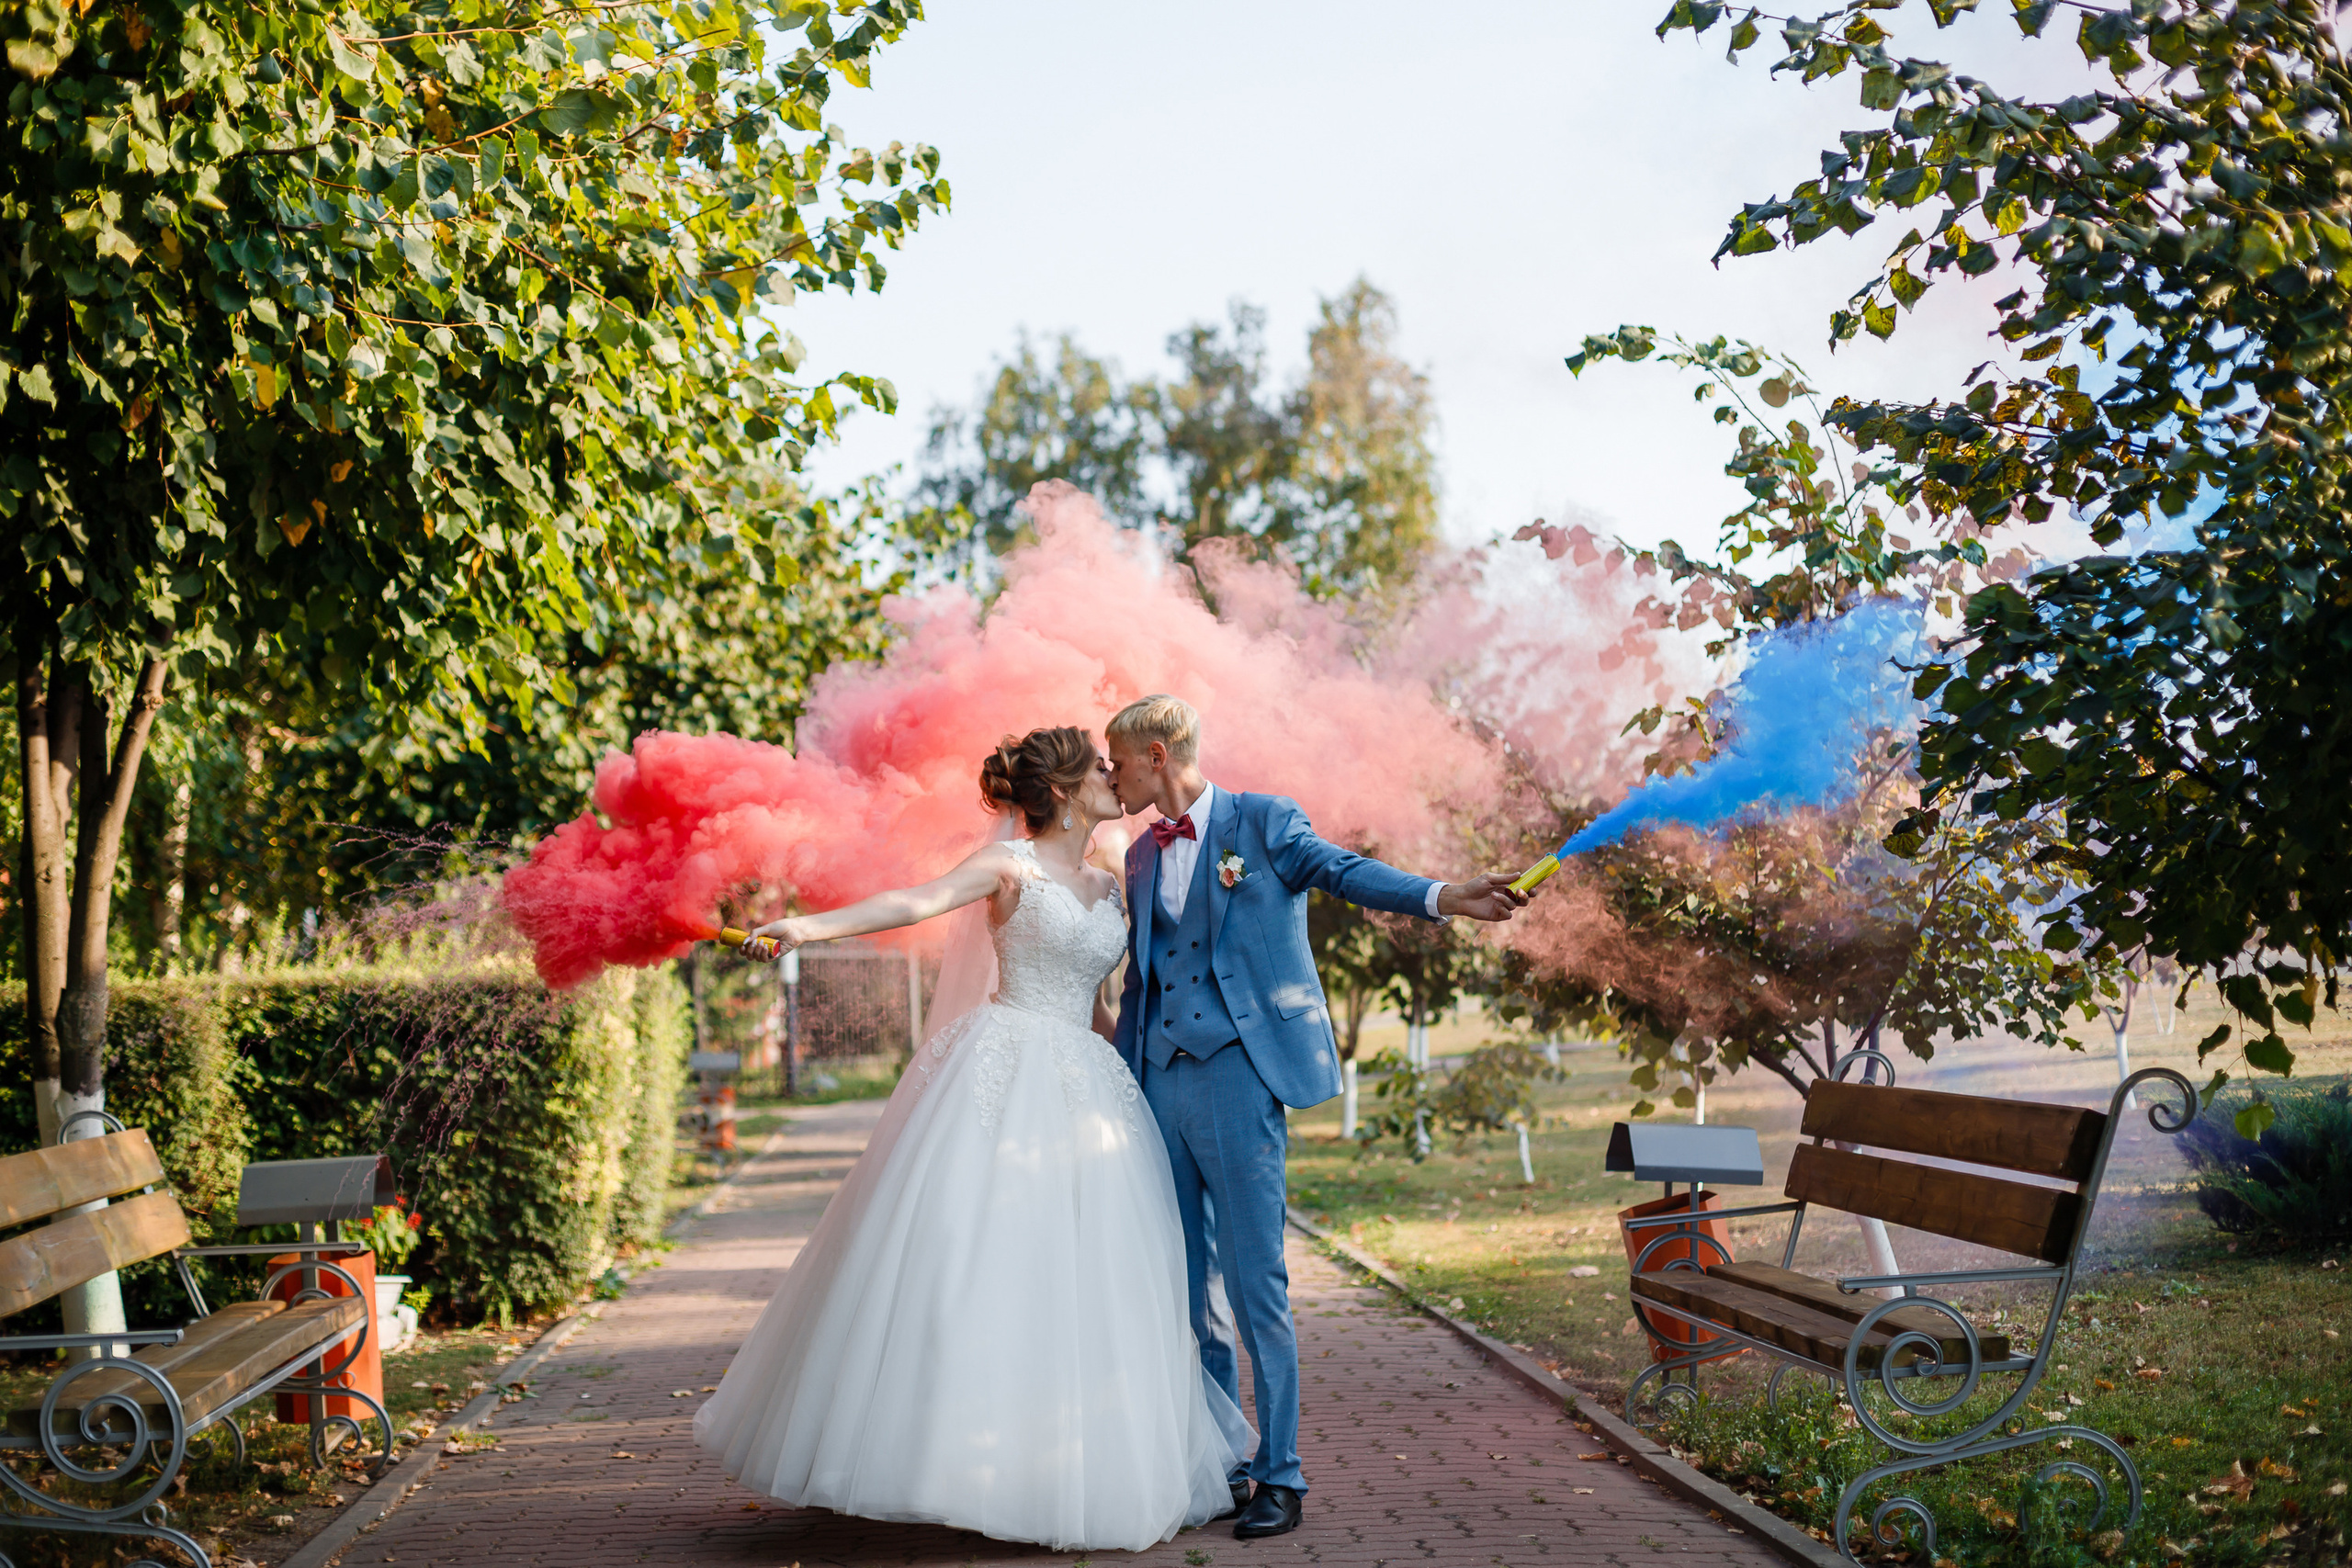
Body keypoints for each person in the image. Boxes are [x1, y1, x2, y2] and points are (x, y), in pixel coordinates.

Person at [695, 727, 1250, 1551]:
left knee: (1090, 1274)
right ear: (1060, 792)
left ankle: (1052, 1458)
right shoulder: (1008, 868)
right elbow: (913, 901)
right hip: (1003, 1067)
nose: (1113, 773)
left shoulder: (1112, 884)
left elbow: (1101, 1004)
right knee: (972, 1258)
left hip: (1089, 1086)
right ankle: (942, 1460)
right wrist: (805, 929)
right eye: (1097, 767)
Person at [1102, 694, 1527, 1540]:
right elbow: (1144, 981)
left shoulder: (1264, 823)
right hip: (1158, 1083)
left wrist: (1447, 895)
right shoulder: (1139, 858)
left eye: (1117, 762)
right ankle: (1224, 1459)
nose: (1112, 777)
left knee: (1259, 1282)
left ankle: (1282, 1472)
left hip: (1240, 1077)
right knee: (1191, 1290)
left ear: (1156, 754)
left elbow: (1345, 870)